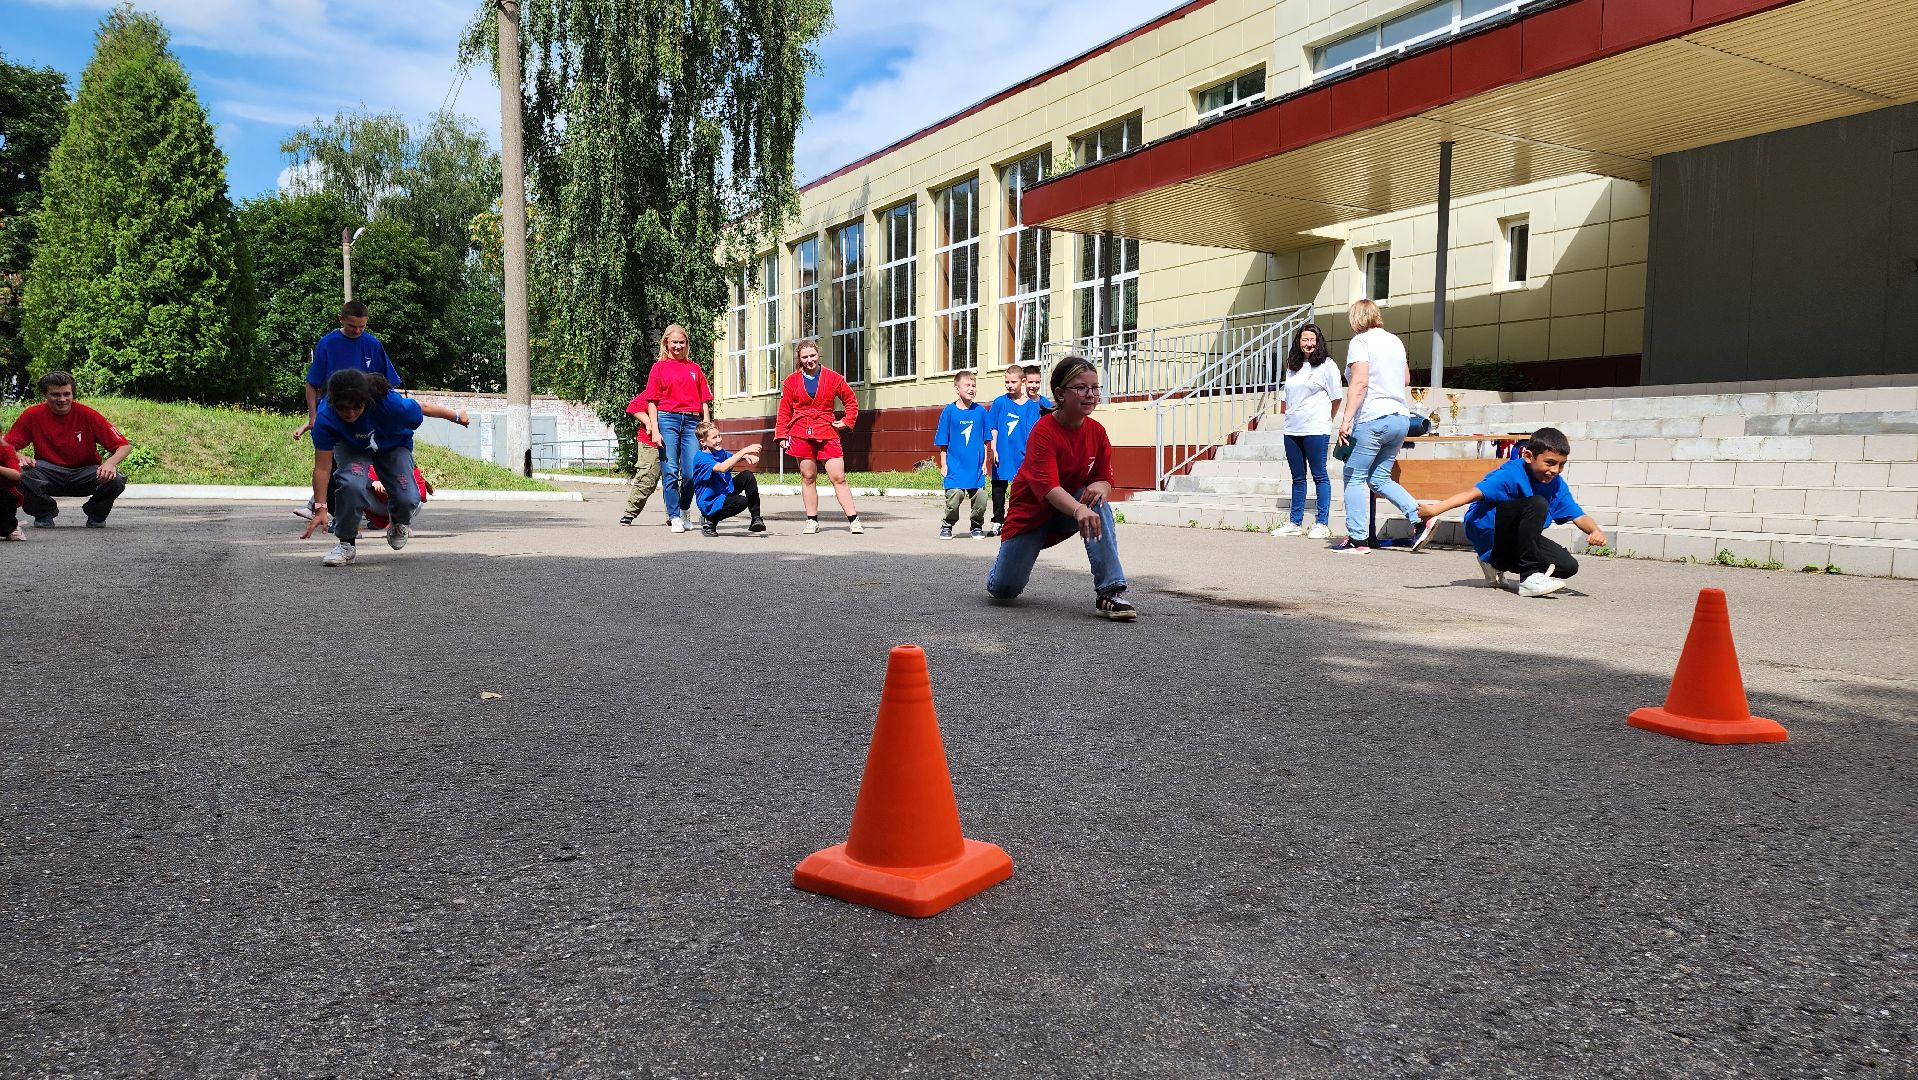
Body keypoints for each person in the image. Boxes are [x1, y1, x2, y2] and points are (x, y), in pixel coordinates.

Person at [985, 356, 1136, 620]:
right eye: (1081, 388)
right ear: (1060, 394)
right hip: (1031, 517)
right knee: (1004, 590)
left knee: (1097, 504)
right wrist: (1079, 509)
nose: (1090, 394)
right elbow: (1049, 489)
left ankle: (1110, 591)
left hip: (1067, 511)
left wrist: (1100, 488)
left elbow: (1104, 479)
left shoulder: (1097, 432)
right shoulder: (1043, 431)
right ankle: (1002, 566)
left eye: (1095, 387)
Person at [299, 368, 468, 567]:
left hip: (393, 445)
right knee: (351, 484)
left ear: (366, 401)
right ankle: (346, 544)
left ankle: (398, 522)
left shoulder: (389, 403)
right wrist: (320, 507)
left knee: (408, 498)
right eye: (342, 408)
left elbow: (422, 407)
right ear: (333, 403)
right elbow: (322, 468)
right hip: (351, 447)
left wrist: (456, 417)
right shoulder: (326, 417)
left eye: (357, 407)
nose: (350, 414)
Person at [1415, 427, 1609, 597]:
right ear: (1529, 456)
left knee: (1567, 566)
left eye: (1561, 464)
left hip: (1516, 540)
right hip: (1488, 529)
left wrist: (1594, 531)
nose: (1555, 470)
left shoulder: (1556, 484)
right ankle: (1528, 577)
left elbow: (1578, 515)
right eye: (1550, 463)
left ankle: (1495, 563)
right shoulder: (1511, 473)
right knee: (1537, 503)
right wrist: (1434, 509)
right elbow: (1471, 494)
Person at [1332, 299, 1437, 553]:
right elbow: (1406, 379)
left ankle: (1357, 539)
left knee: (1354, 476)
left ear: (1356, 319)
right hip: (1400, 417)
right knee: (1378, 478)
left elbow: (1360, 383)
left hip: (1373, 417)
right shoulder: (1395, 341)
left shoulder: (1360, 342)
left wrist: (1345, 421)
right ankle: (1420, 517)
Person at [293, 301, 403, 519]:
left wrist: (390, 414)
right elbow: (312, 383)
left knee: (365, 463)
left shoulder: (373, 344)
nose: (357, 331)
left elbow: (387, 384)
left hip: (366, 416)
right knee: (333, 464)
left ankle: (367, 511)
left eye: (362, 326)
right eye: (352, 326)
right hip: (335, 412)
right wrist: (313, 416)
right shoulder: (327, 343)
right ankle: (328, 510)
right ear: (341, 319)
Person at [3, 371, 131, 529]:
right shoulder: (32, 414)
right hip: (48, 473)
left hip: (85, 473)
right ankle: (44, 513)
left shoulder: (88, 414)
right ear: (45, 394)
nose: (62, 399)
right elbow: (5, 446)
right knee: (18, 473)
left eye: (66, 394)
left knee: (116, 479)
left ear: (73, 393)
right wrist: (19, 456)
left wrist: (110, 463)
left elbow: (124, 445)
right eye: (55, 395)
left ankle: (96, 513)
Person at [775, 339, 863, 535]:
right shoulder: (791, 381)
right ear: (799, 359)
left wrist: (847, 421)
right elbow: (784, 410)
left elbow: (850, 400)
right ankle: (812, 520)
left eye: (812, 355)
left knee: (838, 477)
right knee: (808, 477)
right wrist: (781, 434)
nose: (809, 360)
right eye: (805, 357)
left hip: (827, 430)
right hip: (800, 431)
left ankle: (854, 520)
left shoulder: (834, 378)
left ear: (818, 354)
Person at [1270, 322, 1342, 540]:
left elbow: (1336, 398)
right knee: (1298, 477)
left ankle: (1322, 523)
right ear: (1298, 341)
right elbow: (1287, 397)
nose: (1309, 344)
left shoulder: (1327, 365)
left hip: (1316, 428)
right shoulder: (1293, 365)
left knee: (1319, 475)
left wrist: (1326, 419)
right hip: (1292, 428)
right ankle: (1295, 523)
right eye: (1305, 339)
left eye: (1312, 340)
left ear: (1319, 342)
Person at [642, 324, 715, 534]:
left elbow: (704, 401)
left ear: (686, 344)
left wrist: (707, 429)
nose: (678, 346)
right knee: (671, 471)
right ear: (666, 343)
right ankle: (674, 516)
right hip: (667, 420)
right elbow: (652, 402)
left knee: (692, 473)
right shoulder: (659, 368)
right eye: (674, 342)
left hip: (692, 421)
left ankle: (684, 510)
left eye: (682, 342)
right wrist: (655, 430)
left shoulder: (695, 369)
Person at [984, 365, 1044, 536]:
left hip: (1023, 454)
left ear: (1022, 382)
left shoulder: (1032, 405)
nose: (1009, 385)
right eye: (1007, 382)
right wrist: (993, 449)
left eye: (1013, 382)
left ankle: (1017, 521)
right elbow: (993, 427)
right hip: (1002, 453)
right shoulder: (1000, 402)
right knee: (998, 487)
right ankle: (997, 521)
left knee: (1021, 489)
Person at [935, 370, 989, 539]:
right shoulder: (949, 412)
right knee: (955, 496)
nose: (971, 388)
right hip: (955, 467)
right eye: (967, 385)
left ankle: (976, 525)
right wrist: (944, 464)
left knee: (981, 497)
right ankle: (947, 525)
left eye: (974, 385)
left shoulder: (980, 412)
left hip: (976, 468)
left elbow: (985, 441)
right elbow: (943, 441)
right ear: (957, 388)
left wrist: (984, 463)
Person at [688, 421, 766, 537]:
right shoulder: (701, 458)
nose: (719, 439)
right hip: (711, 501)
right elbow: (722, 467)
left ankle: (756, 518)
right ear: (703, 442)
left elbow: (731, 458)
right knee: (741, 502)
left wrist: (746, 456)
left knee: (747, 476)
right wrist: (744, 451)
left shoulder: (719, 451)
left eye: (719, 435)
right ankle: (710, 519)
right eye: (714, 437)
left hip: (724, 491)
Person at [619, 388, 662, 526]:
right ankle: (630, 513)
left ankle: (674, 516)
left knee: (674, 481)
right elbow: (634, 407)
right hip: (650, 441)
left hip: (677, 442)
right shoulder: (658, 387)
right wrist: (649, 423)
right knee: (647, 478)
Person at [0, 439, 23, 541]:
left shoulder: (6, 450)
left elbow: (17, 475)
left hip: (4, 493)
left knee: (5, 497)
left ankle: (11, 527)